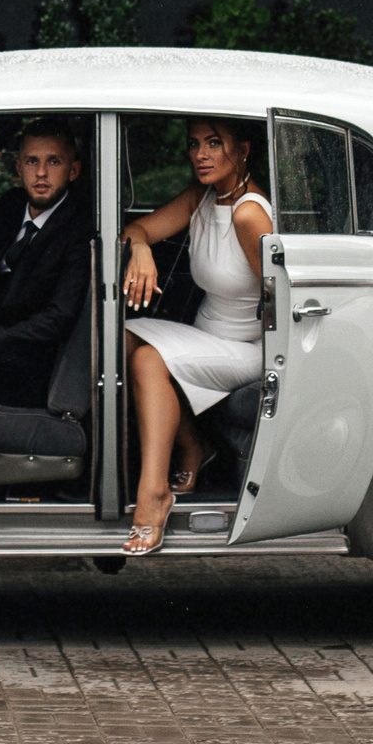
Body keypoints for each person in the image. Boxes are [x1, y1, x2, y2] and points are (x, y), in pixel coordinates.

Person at [117, 117, 271, 555]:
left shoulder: (248, 213)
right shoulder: (202, 197)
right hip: (205, 339)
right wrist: (142, 250)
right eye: (194, 144)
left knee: (146, 359)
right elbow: (136, 229)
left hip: (248, 349)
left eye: (214, 143)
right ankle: (194, 446)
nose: (200, 154)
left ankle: (153, 496)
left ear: (242, 150)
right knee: (115, 338)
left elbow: (282, 301)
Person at [0, 119, 92, 408]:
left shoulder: (79, 228)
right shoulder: (11, 205)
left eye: (53, 162)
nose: (41, 173)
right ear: (18, 167)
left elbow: (58, 318)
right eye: (32, 161)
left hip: (24, 368)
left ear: (73, 170)